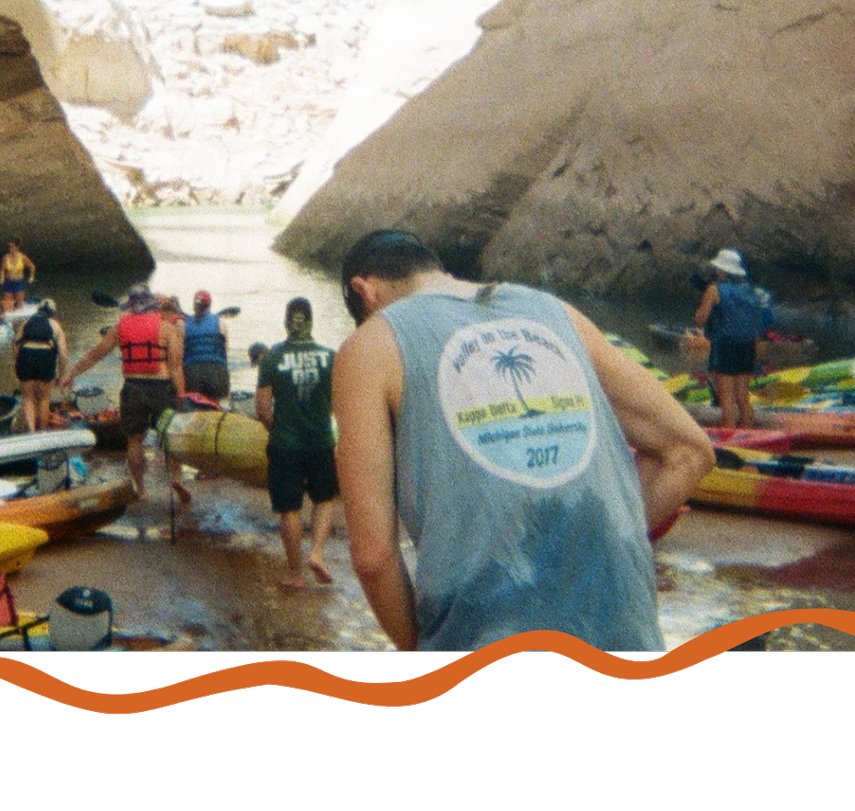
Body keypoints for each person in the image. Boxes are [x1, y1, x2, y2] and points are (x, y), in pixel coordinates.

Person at [331, 229, 714, 654]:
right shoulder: (556, 312)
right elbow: (689, 451)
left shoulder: (371, 344)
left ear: (364, 291)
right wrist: (585, 554)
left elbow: (373, 556)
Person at [64, 285, 189, 506]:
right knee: (170, 437)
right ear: (152, 305)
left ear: (131, 306)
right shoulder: (167, 328)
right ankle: (177, 479)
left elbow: (95, 355)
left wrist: (71, 373)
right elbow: (176, 368)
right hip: (161, 388)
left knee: (134, 440)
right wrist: (182, 396)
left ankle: (141, 489)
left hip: (133, 388)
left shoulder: (120, 327)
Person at [255, 297, 339, 591]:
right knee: (323, 499)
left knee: (289, 508)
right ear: (311, 322)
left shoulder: (272, 357)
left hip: (285, 443)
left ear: (286, 322)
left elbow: (262, 408)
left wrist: (277, 429)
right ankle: (317, 552)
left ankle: (295, 574)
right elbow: (337, 404)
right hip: (320, 441)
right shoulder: (330, 357)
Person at [687, 250, 769, 432]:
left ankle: (729, 435)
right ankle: (747, 433)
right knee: (743, 397)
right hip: (747, 345)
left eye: (718, 268)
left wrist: (698, 314)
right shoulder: (750, 291)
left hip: (725, 346)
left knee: (726, 397)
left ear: (722, 271)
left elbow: (701, 318)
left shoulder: (714, 289)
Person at [13, 301, 67, 432]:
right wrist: (61, 377)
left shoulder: (27, 323)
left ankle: (31, 432)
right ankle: (42, 431)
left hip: (26, 357)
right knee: (44, 398)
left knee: (27, 398)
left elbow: (15, 345)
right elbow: (63, 355)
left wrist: (17, 363)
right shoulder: (55, 325)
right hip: (46, 359)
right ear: (52, 313)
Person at [183, 291, 232, 404]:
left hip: (193, 372)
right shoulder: (220, 323)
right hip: (216, 370)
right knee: (218, 405)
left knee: (194, 407)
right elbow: (225, 352)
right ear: (209, 305)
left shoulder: (184, 324)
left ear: (194, 305)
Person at [0, 241, 36, 314]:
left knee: (19, 302)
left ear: (17, 247)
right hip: (9, 281)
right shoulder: (6, 258)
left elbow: (32, 267)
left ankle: (18, 313)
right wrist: (2, 278)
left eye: (12, 247)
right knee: (7, 302)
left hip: (19, 281)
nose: (10, 248)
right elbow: (2, 269)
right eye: (9, 247)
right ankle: (8, 314)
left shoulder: (23, 257)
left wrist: (31, 277)